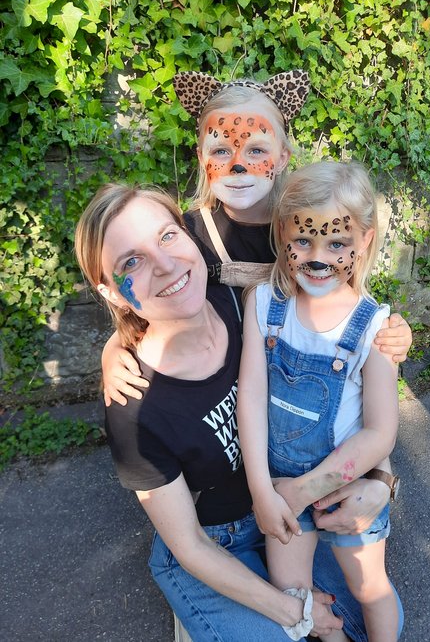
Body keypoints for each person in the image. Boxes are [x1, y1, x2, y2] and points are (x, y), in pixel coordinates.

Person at [74, 184, 402, 641]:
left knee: (375, 619)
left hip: (286, 504)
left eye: (167, 236)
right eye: (132, 262)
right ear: (110, 291)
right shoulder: (135, 405)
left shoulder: (237, 300)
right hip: (212, 542)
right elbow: (189, 545)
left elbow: (353, 378)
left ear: (190, 235)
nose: (165, 265)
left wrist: (381, 480)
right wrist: (296, 613)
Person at [102, 70, 412, 410]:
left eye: (256, 150)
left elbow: (345, 297)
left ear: (282, 157)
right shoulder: (186, 237)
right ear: (201, 157)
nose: (238, 165)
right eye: (221, 150)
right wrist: (114, 347)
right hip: (220, 397)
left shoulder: (306, 232)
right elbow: (156, 304)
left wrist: (393, 332)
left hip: (291, 396)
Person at [238, 161, 401, 641]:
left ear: (364, 240)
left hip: (343, 488)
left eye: (336, 244)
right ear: (282, 233)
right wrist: (261, 491)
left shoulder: (374, 329)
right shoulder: (263, 304)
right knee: (294, 595)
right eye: (303, 240)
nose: (317, 258)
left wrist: (305, 490)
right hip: (280, 487)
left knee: (369, 587)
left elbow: (381, 432)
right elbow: (251, 396)